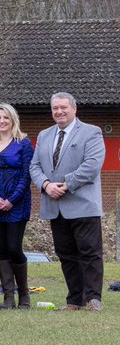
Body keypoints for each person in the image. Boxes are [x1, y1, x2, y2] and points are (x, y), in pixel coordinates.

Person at [30, 92, 106, 311]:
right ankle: (75, 300)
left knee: (90, 254)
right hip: (55, 207)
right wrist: (45, 185)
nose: (59, 112)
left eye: (63, 107)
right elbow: (34, 166)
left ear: (74, 109)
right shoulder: (44, 135)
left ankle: (93, 300)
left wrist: (65, 184)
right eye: (55, 108)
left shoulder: (92, 132)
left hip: (83, 205)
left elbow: (92, 165)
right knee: (66, 256)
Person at [0, 103, 35, 308]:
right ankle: (8, 296)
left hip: (17, 203)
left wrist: (12, 199)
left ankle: (25, 294)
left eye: (6, 118)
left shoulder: (24, 143)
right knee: (1, 248)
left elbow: (26, 174)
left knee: (14, 247)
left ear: (13, 120)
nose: (2, 121)